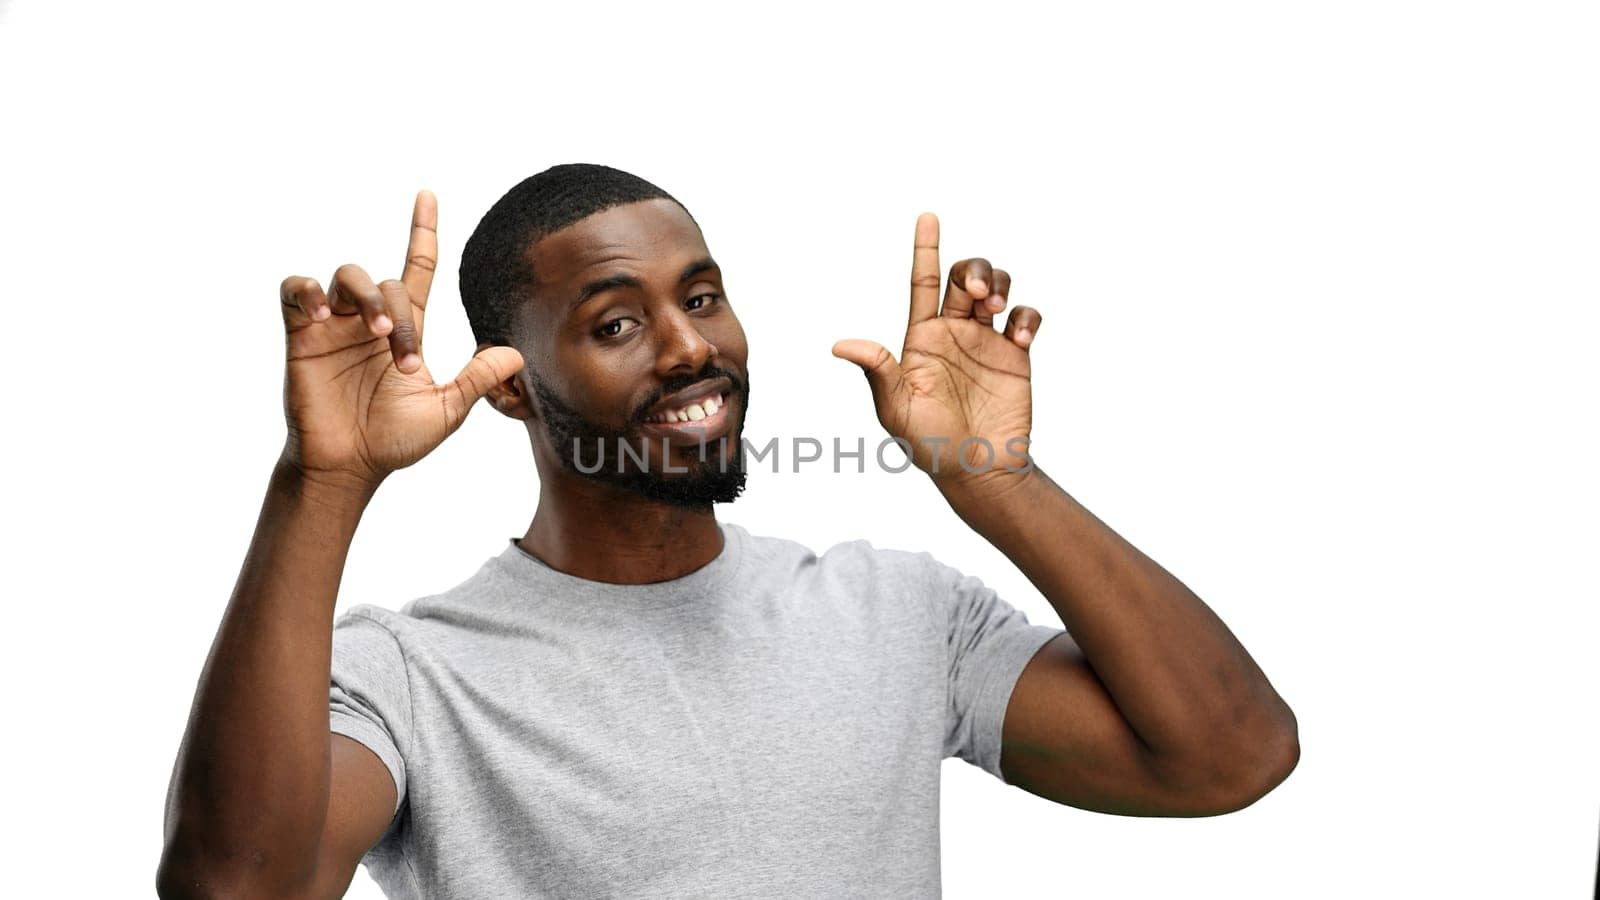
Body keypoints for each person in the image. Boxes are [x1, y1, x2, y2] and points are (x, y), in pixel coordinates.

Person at [156, 163, 1299, 899]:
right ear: (509, 388)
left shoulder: (896, 615)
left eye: (700, 298)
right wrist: (323, 483)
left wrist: (997, 482)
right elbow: (232, 890)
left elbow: (1228, 756)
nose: (690, 346)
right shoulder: (413, 678)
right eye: (616, 321)